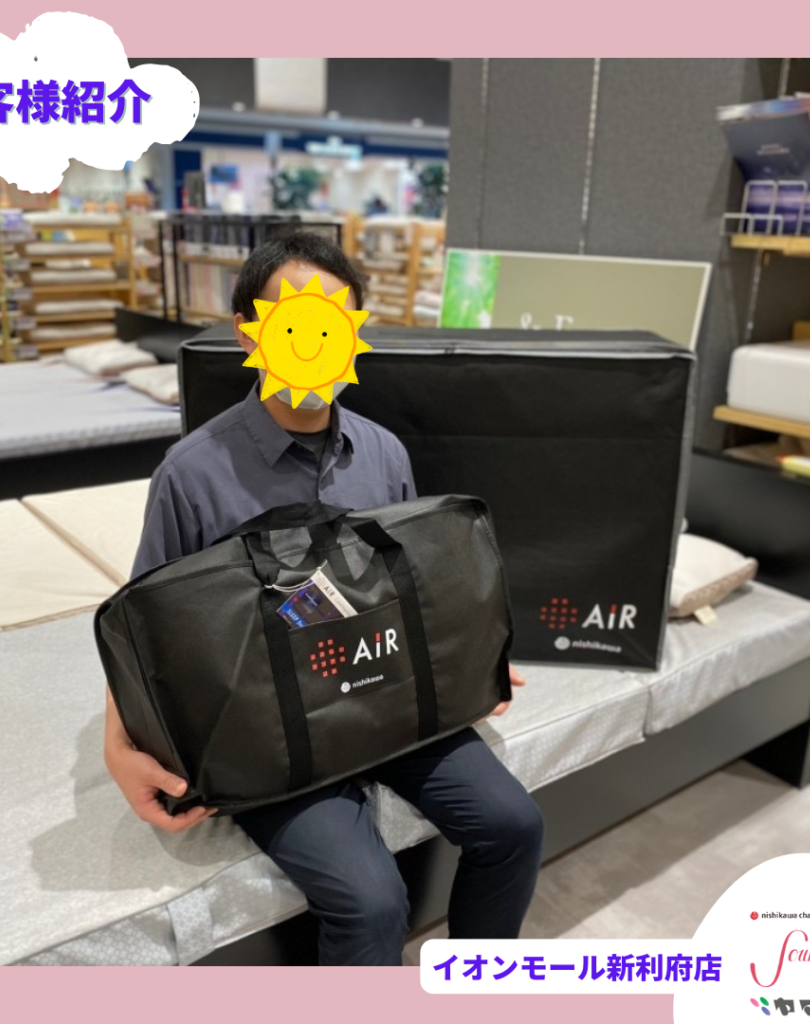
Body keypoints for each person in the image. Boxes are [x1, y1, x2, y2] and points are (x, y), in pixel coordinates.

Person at [104, 232, 544, 966]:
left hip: (384, 693)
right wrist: (118, 745)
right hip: (269, 721)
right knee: (372, 901)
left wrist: (475, 657)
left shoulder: (383, 452)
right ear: (251, 332)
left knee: (515, 825)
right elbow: (145, 631)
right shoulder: (192, 473)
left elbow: (414, 588)